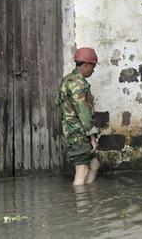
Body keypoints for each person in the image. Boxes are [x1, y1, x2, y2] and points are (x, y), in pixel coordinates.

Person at [56, 47, 101, 185]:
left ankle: (87, 198)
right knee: (82, 171)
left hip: (71, 130)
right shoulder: (79, 84)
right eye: (92, 67)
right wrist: (92, 136)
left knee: (94, 164)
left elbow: (58, 103)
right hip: (79, 132)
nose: (93, 70)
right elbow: (84, 112)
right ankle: (80, 205)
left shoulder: (66, 80)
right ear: (86, 65)